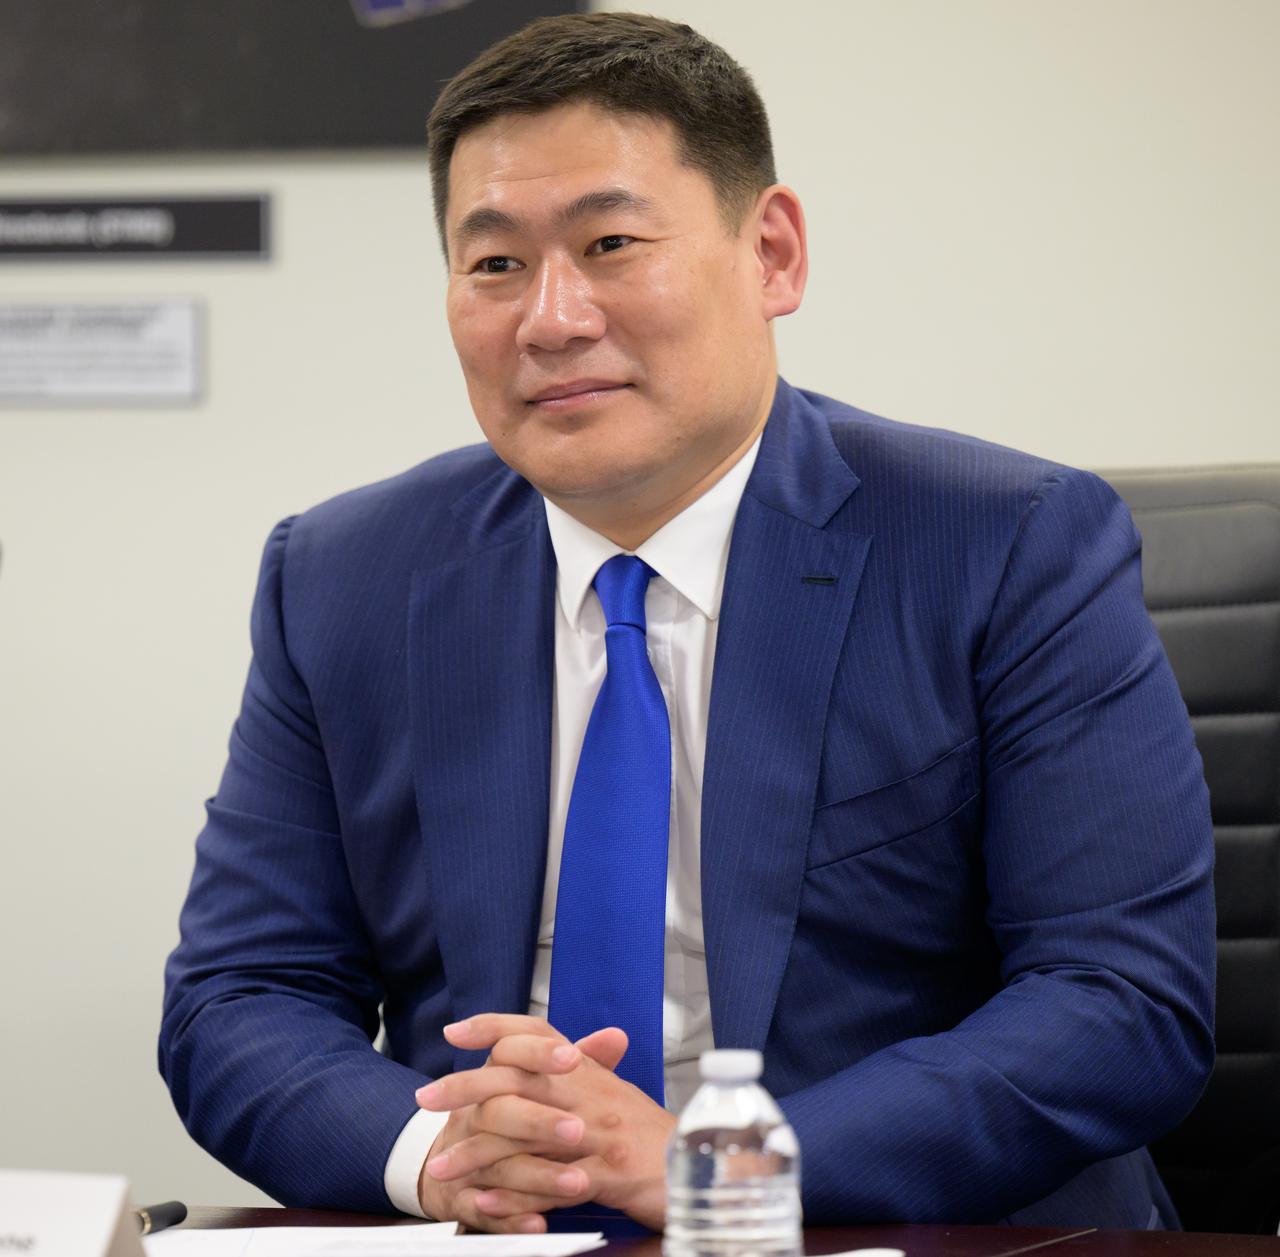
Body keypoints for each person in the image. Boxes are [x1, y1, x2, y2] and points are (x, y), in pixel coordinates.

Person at [160, 12, 1215, 1236]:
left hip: (886, 1227)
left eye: (609, 244)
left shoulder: (1002, 546)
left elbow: (1118, 998)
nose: (550, 318)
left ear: (769, 254)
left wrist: (712, 1163)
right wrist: (438, 1154)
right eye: (493, 264)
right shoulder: (342, 576)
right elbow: (241, 995)